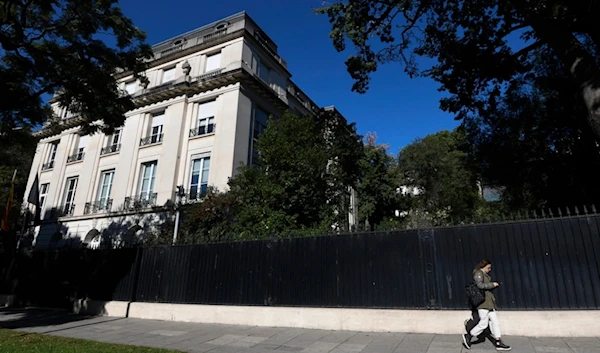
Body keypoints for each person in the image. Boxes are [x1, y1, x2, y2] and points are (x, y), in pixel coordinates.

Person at [462, 260, 511, 351]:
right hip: (483, 303)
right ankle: (469, 335)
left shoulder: (484, 274)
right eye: (488, 267)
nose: (489, 269)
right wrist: (492, 284)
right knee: (484, 324)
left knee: (495, 322)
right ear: (483, 266)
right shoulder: (478, 273)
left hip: (489, 302)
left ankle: (498, 341)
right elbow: (480, 285)